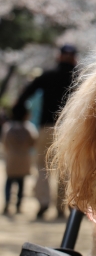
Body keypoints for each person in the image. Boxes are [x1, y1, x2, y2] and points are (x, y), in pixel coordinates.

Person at [13, 44, 77, 219]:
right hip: (69, 130)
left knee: (42, 166)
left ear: (59, 56)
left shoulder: (47, 75)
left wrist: (18, 113)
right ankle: (61, 206)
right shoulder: (80, 77)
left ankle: (42, 203)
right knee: (66, 169)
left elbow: (25, 94)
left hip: (46, 126)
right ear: (74, 58)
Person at [2, 104, 38, 215]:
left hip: (11, 159)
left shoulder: (8, 127)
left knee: (9, 182)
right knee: (21, 183)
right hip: (24, 160)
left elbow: (4, 142)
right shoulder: (29, 128)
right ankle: (18, 205)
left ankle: (8, 202)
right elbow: (33, 142)